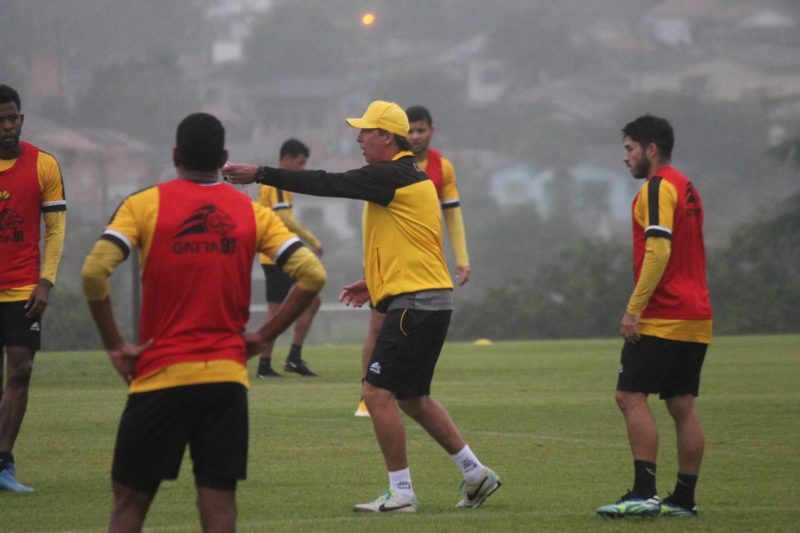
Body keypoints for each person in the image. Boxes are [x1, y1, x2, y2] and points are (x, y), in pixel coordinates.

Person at [224, 100, 500, 513]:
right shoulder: (410, 176)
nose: (358, 139)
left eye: (365, 131)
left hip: (414, 304)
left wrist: (261, 173)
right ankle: (475, 473)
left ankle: (401, 493)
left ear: (386, 136)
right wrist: (374, 282)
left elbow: (326, 183)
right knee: (413, 398)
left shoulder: (389, 175)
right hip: (428, 300)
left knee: (375, 392)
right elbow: (414, 243)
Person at [81, 113, 325, 532]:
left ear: (175, 155)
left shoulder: (143, 204)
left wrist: (115, 345)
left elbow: (93, 273)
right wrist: (262, 337)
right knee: (219, 505)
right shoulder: (252, 212)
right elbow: (313, 275)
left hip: (160, 376)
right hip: (225, 381)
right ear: (223, 157)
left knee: (129, 504)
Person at [596, 115, 712, 519]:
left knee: (629, 396)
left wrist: (635, 308)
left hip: (664, 313)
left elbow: (658, 249)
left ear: (651, 149)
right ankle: (683, 499)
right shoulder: (686, 185)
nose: (625, 157)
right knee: (682, 403)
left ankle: (644, 493)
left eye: (629, 149)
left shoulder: (657, 187)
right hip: (697, 314)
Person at [354, 105, 471, 417]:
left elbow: (452, 214)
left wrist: (462, 258)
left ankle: (385, 392)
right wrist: (371, 267)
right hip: (389, 262)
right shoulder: (385, 167)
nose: (417, 136)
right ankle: (368, 394)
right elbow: (371, 217)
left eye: (422, 130)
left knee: (412, 390)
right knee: (377, 323)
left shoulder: (441, 168)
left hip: (419, 270)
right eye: (412, 130)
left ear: (432, 131)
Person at [0, 84, 66, 493]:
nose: (9, 126)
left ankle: (3, 463)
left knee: (21, 369)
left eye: (14, 118)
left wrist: (46, 281)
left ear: (22, 119)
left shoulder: (44, 164)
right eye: (1, 120)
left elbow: (55, 229)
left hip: (23, 287)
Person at [255, 138, 323, 378]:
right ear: (286, 159)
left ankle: (292, 358)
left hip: (275, 254)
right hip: (277, 255)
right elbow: (283, 218)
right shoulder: (278, 183)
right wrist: (311, 240)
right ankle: (265, 364)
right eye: (300, 163)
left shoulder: (275, 182)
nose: (303, 169)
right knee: (275, 311)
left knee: (312, 301)